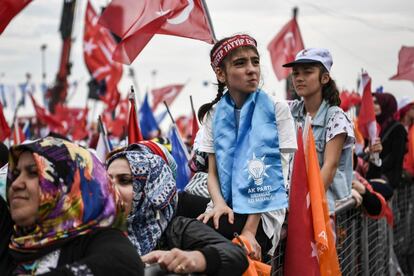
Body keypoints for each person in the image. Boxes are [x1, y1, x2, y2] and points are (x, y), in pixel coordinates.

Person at [197, 34, 297, 260]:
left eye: (255, 61)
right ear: (221, 74)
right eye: (240, 63)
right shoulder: (214, 114)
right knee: (178, 211)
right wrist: (220, 204)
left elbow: (272, 177)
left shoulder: (277, 110)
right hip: (225, 207)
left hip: (262, 213)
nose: (252, 69)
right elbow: (212, 173)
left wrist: (249, 232)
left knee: (191, 232)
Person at [2, 137, 144, 275]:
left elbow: (123, 266)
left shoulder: (98, 239)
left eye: (33, 173)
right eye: (16, 174)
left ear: (69, 184)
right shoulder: (12, 242)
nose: (15, 184)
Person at [106, 142, 249, 276]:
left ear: (150, 186)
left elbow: (236, 255)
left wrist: (196, 258)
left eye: (124, 180)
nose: (111, 190)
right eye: (106, 181)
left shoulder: (176, 229)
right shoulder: (96, 233)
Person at [283, 48, 355, 214]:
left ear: (324, 78)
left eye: (307, 72)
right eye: (295, 73)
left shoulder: (335, 117)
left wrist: (304, 204)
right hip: (293, 205)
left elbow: (330, 167)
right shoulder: (289, 111)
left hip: (324, 209)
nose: (299, 78)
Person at [366, 93, 407, 189]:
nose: (373, 106)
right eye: (372, 102)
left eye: (376, 102)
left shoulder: (398, 128)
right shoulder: (378, 127)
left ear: (386, 105)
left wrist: (377, 164)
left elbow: (395, 156)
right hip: (377, 174)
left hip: (388, 180)